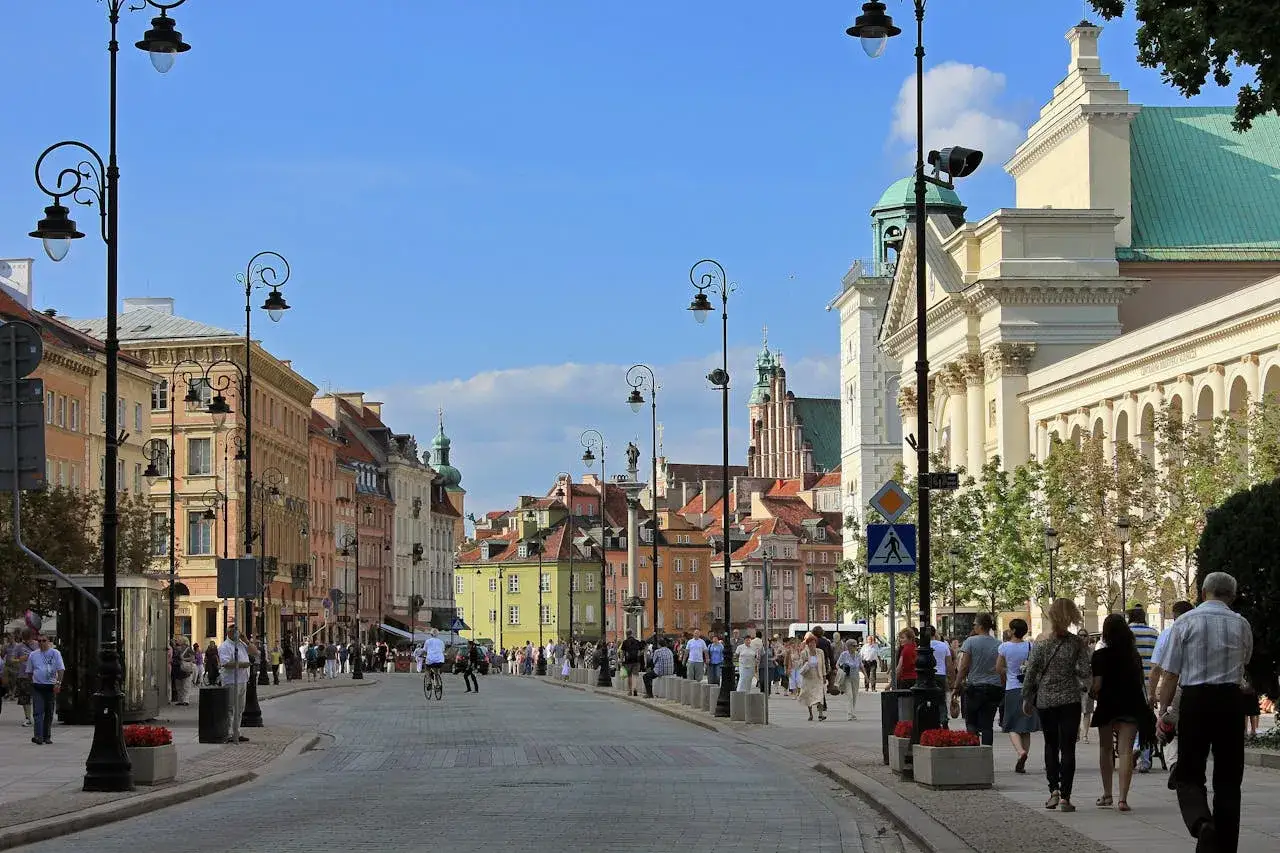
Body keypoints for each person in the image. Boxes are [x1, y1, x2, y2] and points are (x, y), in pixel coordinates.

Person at [1158, 571, 1253, 853]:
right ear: (1232, 596)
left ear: (1202, 593)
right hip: (1230, 701)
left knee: (1189, 771)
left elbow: (1170, 673)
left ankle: (1201, 823)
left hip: (1196, 700)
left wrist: (1164, 711)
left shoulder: (1185, 622)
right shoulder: (1241, 624)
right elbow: (1245, 661)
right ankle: (1226, 846)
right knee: (1229, 779)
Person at [1022, 598, 1091, 813]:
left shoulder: (1041, 643)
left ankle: (1053, 791)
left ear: (1051, 616)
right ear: (1072, 617)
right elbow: (1085, 671)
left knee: (1050, 745)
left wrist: (1026, 698)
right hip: (1070, 699)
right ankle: (1066, 797)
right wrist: (1072, 671)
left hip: (1046, 700)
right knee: (1068, 748)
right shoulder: (1077, 643)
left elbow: (1031, 673)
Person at [1091, 613, 1154, 812]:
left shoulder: (1100, 655)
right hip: (1131, 704)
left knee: (1105, 749)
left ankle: (1107, 794)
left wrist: (1091, 691)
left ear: (1106, 633)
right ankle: (1123, 799)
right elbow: (1139, 681)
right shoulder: (1133, 656)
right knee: (1126, 751)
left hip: (1107, 705)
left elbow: (1097, 685)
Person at [997, 617, 1039, 773]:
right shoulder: (1030, 646)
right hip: (1028, 689)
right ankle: (1024, 757)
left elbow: (998, 668)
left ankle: (1020, 752)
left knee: (1012, 725)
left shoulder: (1004, 647)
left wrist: (1008, 672)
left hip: (1012, 688)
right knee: (1026, 727)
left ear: (1013, 631)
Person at [956, 613, 1004, 746]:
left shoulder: (970, 642)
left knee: (971, 723)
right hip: (994, 688)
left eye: (975, 624)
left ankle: (974, 750)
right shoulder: (999, 644)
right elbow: (1001, 667)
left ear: (981, 626)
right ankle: (987, 752)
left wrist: (956, 685)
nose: (973, 626)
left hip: (975, 688)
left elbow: (964, 667)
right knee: (987, 725)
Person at [1126, 606, 1160, 772]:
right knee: (1145, 721)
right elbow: (1158, 661)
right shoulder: (1154, 633)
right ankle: (1144, 761)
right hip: (1149, 682)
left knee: (1130, 720)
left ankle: (1133, 748)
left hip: (1129, 683)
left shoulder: (1126, 633)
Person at [24, 634, 64, 745]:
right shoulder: (33, 655)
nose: (41, 643)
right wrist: (32, 682)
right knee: (38, 712)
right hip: (38, 686)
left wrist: (58, 683)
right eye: (39, 641)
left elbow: (61, 669)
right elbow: (29, 671)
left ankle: (47, 736)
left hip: (50, 686)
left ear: (48, 642)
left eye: (44, 640)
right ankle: (38, 736)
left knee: (49, 712)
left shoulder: (55, 653)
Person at [219, 627, 252, 744]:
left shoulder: (241, 644)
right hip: (231, 681)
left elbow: (254, 651)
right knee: (230, 708)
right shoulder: (225, 646)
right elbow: (225, 663)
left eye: (238, 632)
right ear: (229, 633)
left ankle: (236, 732)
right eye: (235, 632)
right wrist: (242, 665)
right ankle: (228, 733)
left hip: (243, 680)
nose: (238, 634)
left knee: (240, 708)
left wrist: (246, 640)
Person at [797, 633, 828, 722]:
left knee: (820, 696)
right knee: (809, 696)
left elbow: (823, 665)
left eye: (814, 642)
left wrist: (824, 676)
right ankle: (810, 714)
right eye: (810, 643)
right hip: (808, 677)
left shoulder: (820, 652)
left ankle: (820, 714)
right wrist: (805, 662)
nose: (812, 644)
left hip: (818, 677)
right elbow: (800, 664)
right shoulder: (804, 653)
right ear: (807, 644)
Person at [836, 639, 861, 720]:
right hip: (847, 677)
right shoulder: (844, 654)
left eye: (856, 645)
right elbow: (837, 665)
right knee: (850, 695)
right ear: (849, 646)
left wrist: (866, 677)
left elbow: (861, 665)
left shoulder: (858, 654)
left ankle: (852, 713)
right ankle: (849, 714)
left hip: (855, 677)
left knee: (854, 695)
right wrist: (841, 670)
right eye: (854, 646)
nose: (856, 647)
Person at [620, 630, 643, 696]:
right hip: (636, 660)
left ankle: (630, 691)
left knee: (629, 676)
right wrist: (638, 655)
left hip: (628, 661)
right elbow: (641, 650)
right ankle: (635, 688)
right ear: (632, 633)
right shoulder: (637, 641)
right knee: (635, 675)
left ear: (626, 634)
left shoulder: (625, 642)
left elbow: (622, 652)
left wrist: (621, 661)